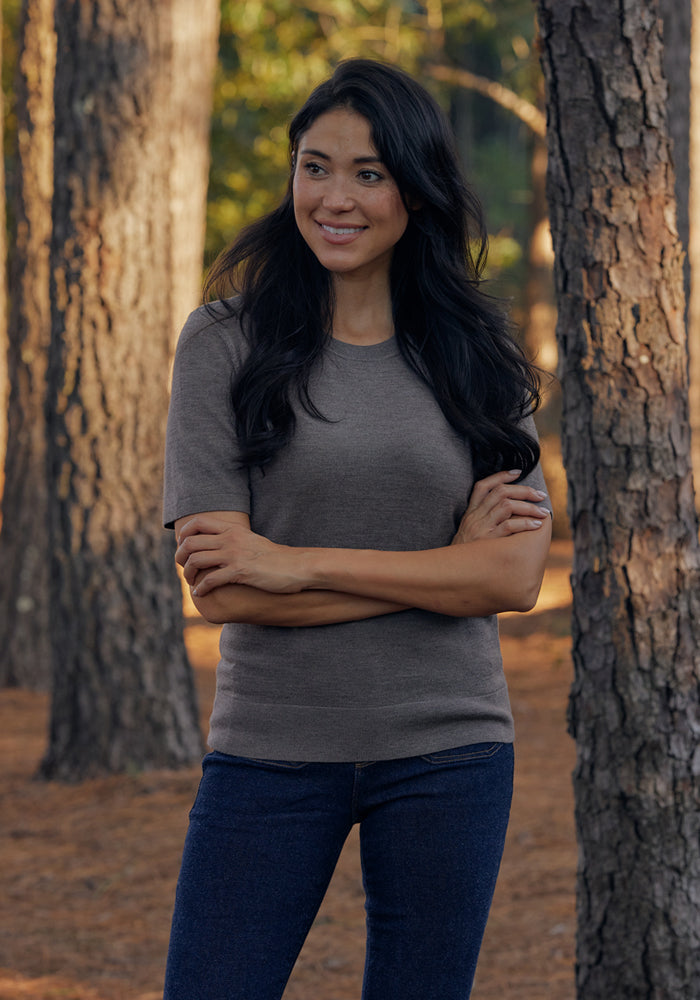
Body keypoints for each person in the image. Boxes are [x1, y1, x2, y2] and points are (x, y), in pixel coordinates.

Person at [162, 58, 552, 1000]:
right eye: (315, 165)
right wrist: (441, 566)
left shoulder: (478, 353)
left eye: (369, 173)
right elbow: (223, 589)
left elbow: (509, 581)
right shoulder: (224, 341)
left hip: (449, 745)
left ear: (415, 191)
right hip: (270, 746)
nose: (335, 197)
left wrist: (292, 564)